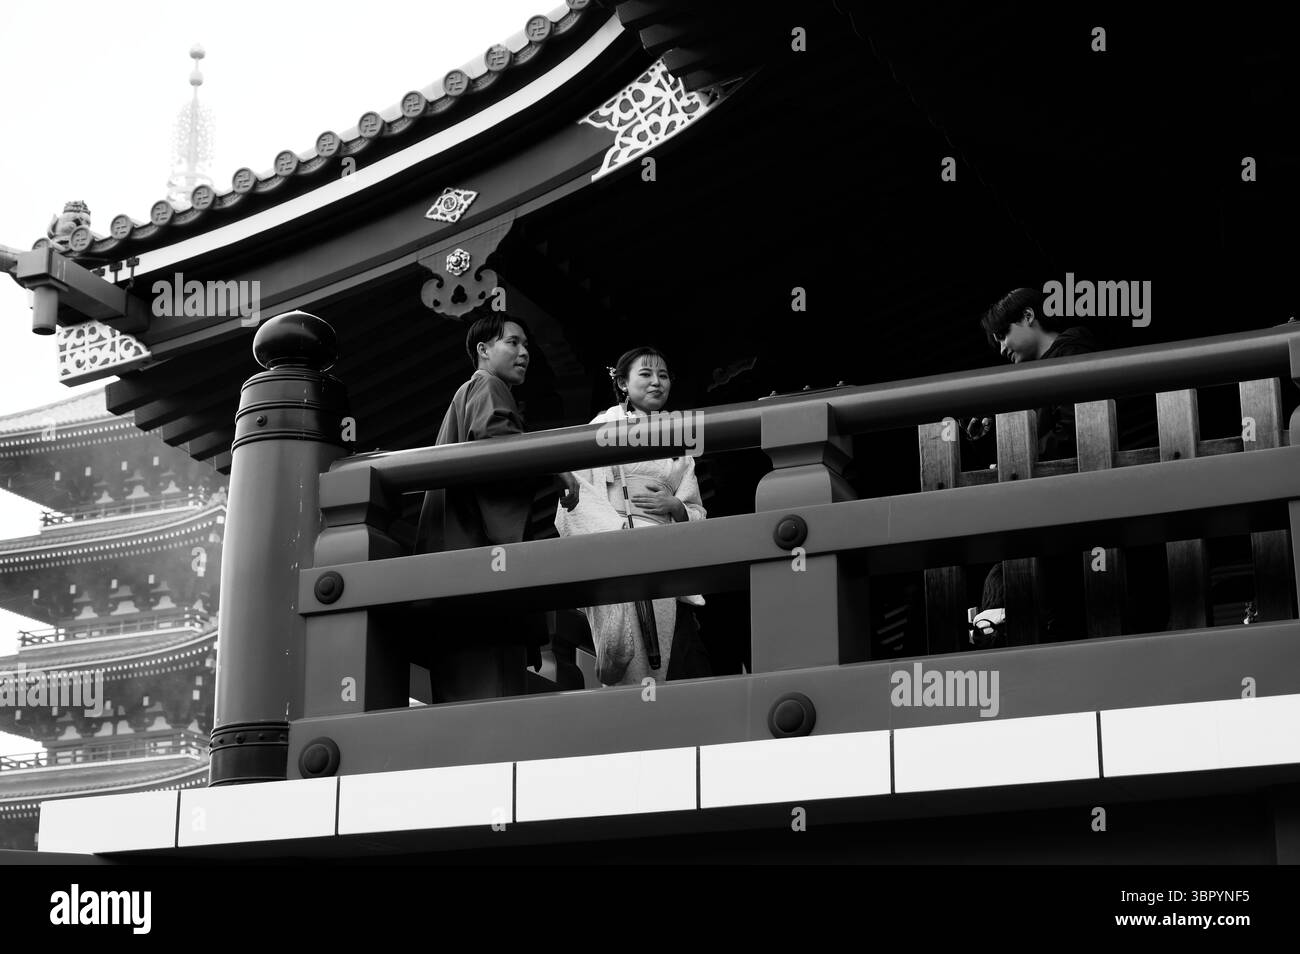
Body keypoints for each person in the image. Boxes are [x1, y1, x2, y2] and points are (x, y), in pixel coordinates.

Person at [414, 314, 579, 700]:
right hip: (475, 570)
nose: (524, 353)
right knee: (489, 689)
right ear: (483, 351)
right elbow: (498, 443)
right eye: (513, 342)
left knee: (464, 700)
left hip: (452, 577)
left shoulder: (471, 392)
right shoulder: (487, 385)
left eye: (526, 346)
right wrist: (554, 465)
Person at [554, 347, 712, 686]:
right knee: (636, 663)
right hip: (625, 554)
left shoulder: (678, 437)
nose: (657, 382)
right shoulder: (604, 426)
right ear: (623, 383)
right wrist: (621, 538)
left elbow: (697, 510)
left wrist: (677, 508)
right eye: (646, 374)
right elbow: (578, 497)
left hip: (668, 559)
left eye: (664, 375)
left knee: (684, 666)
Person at [966, 288, 1105, 647]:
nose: (1001, 348)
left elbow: (1074, 430)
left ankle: (997, 618)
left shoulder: (1073, 354)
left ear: (1029, 317)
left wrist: (1022, 459)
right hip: (1061, 502)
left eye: (1003, 335)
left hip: (1081, 498)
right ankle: (1001, 617)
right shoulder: (1038, 375)